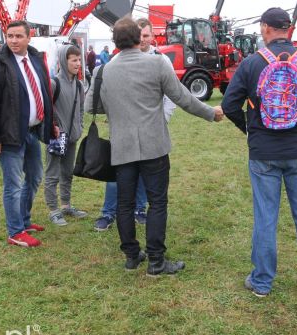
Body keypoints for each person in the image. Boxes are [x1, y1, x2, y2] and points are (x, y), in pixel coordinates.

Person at [86, 17, 224, 275]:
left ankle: (131, 256)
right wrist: (210, 113)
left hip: (122, 146)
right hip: (154, 145)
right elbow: (183, 98)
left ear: (114, 42)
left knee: (124, 203)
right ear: (139, 38)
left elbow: (90, 106)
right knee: (157, 202)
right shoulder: (158, 62)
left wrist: (118, 108)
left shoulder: (103, 71)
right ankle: (156, 261)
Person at [221, 7, 297, 298]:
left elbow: (230, 105)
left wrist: (250, 130)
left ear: (265, 28)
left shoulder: (250, 65)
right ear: (289, 29)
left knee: (265, 218)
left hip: (263, 153)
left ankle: (262, 282)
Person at [94, 18, 176, 231]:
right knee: (140, 194)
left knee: (136, 195)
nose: (144, 39)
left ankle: (133, 246)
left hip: (148, 134)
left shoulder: (159, 61)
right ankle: (151, 254)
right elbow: (182, 96)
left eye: (147, 35)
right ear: (136, 37)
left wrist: (159, 119)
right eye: (141, 35)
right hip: (127, 137)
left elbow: (172, 97)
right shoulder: (110, 67)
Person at [0, 21, 56, 248]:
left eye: (18, 36)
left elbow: (44, 93)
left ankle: (24, 221)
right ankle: (15, 231)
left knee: (34, 177)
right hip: (10, 135)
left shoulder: (34, 59)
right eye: (9, 36)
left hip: (33, 131)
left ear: (29, 37)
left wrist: (51, 123)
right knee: (13, 185)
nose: (13, 40)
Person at [44, 44, 87, 226]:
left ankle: (66, 205)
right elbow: (45, 110)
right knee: (52, 174)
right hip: (56, 138)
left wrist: (79, 127)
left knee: (67, 173)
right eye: (74, 60)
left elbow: (81, 110)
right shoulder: (54, 83)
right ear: (64, 60)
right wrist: (54, 128)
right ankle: (53, 210)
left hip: (72, 138)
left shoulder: (79, 85)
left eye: (79, 59)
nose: (78, 63)